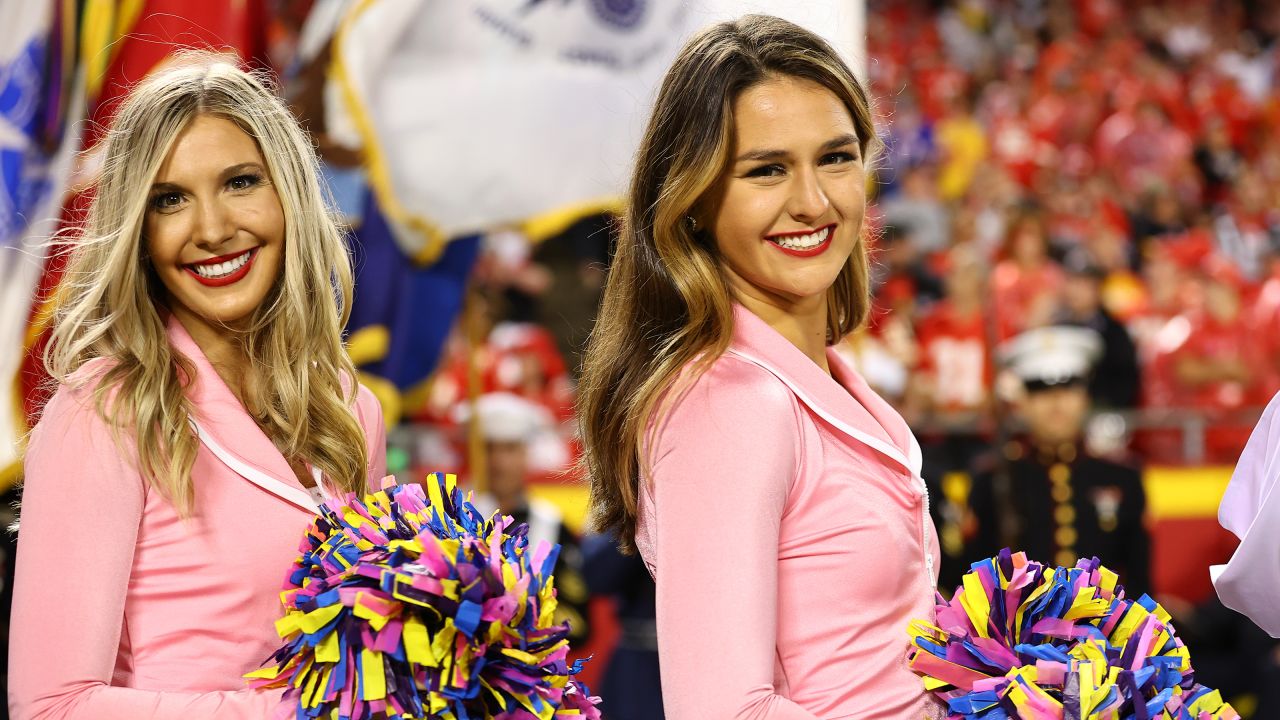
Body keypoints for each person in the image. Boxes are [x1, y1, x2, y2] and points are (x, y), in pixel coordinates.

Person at [577, 15, 943, 718]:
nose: (813, 201)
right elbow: (723, 711)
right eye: (767, 170)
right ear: (693, 203)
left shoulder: (824, 380)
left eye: (836, 158)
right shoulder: (729, 400)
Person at [9, 57, 387, 719]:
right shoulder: (104, 412)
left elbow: (369, 662)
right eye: (170, 199)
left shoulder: (349, 409)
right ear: (140, 233)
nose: (211, 228)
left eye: (240, 182)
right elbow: (51, 706)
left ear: (288, 195)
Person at [968, 326, 1150, 592]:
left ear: (1085, 397)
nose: (1056, 402)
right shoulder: (994, 479)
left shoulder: (1122, 477)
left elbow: (1138, 580)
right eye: (1040, 390)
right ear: (1023, 402)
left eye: (1069, 387)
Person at [465, 392, 589, 644]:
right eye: (488, 448)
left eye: (509, 449)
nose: (498, 461)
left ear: (525, 454)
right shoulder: (453, 518)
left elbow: (579, 624)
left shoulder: (552, 525)